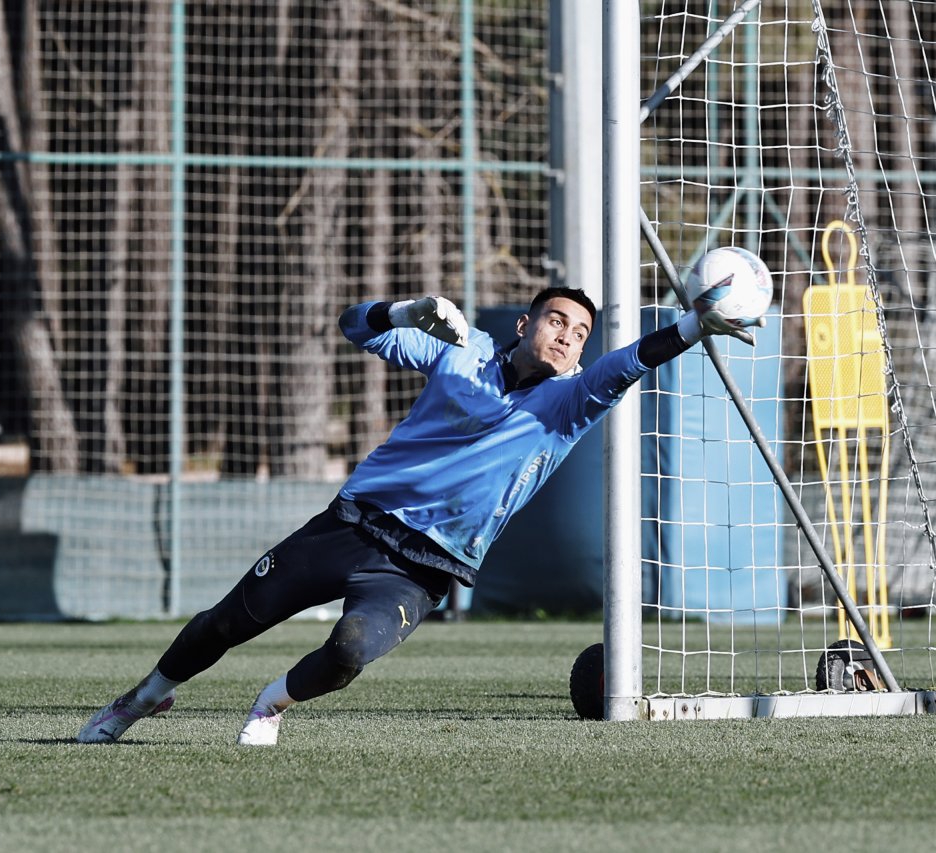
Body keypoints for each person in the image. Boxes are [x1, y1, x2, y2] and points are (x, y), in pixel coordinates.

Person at [77, 285, 762, 745]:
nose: (567, 337)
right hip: (349, 525)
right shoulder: (457, 357)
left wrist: (692, 326)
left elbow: (628, 362)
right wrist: (403, 312)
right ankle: (141, 698)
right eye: (556, 320)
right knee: (228, 619)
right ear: (523, 325)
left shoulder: (567, 406)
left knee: (346, 653)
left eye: (579, 332)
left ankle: (270, 704)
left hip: (417, 570)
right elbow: (352, 326)